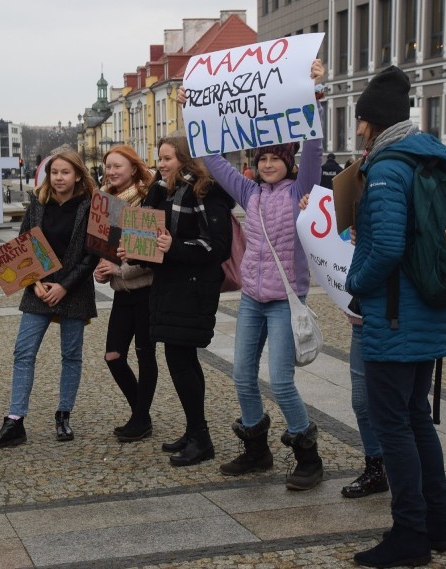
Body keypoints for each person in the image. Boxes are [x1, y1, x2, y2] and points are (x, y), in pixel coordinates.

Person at [182, 59, 326, 488]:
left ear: (287, 162)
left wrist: (314, 94)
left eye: (275, 158)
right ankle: (257, 450)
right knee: (242, 375)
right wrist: (197, 110)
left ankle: (308, 454)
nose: (267, 164)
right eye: (261, 158)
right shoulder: (248, 191)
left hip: (284, 301)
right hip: (251, 300)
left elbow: (314, 149)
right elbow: (211, 155)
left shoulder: (302, 189)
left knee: (281, 382)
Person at [345, 65, 446, 568]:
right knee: (416, 420)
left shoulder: (388, 168)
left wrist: (354, 283)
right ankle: (437, 525)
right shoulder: (421, 161)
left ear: (369, 121)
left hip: (393, 318)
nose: (357, 127)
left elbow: (386, 246)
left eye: (359, 119)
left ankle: (410, 535)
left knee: (394, 426)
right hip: (424, 314)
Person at [121, 135, 234, 467]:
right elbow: (150, 230)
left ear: (185, 159)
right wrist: (134, 252)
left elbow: (218, 246)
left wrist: (175, 248)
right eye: (159, 158)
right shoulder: (168, 190)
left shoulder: (206, 191)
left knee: (181, 361)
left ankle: (201, 438)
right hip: (170, 284)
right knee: (181, 360)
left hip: (195, 287)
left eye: (167, 158)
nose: (161, 163)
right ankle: (194, 430)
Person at [0, 149, 98, 448]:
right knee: (23, 351)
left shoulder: (90, 205)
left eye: (65, 172)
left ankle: (63, 414)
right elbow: (23, 245)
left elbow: (91, 255)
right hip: (40, 288)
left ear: (77, 175)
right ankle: (15, 420)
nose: (59, 178)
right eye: (54, 172)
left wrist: (65, 287)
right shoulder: (38, 203)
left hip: (73, 289)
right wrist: (34, 281)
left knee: (70, 355)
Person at [299, 194, 387, 499]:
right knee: (362, 402)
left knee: (402, 406)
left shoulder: (393, 192)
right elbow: (335, 237)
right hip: (362, 320)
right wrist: (313, 211)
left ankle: (409, 473)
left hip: (395, 319)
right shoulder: (363, 188)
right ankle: (376, 467)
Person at [93, 145, 158, 442]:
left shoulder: (147, 201)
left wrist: (116, 269)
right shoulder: (105, 204)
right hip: (121, 294)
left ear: (134, 168)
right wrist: (102, 270)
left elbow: (150, 258)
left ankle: (140, 419)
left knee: (145, 356)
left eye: (118, 166)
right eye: (108, 166)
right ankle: (141, 414)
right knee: (113, 355)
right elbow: (104, 251)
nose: (112, 171)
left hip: (146, 292)